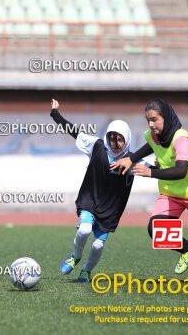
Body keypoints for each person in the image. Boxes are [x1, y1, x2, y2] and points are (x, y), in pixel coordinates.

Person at [110, 98, 188, 284]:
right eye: (148, 120)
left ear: (166, 117)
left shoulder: (181, 139)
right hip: (171, 192)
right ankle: (187, 248)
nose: (151, 124)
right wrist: (130, 158)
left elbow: (181, 171)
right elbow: (150, 146)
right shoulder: (153, 135)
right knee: (156, 228)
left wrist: (150, 172)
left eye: (155, 119)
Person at [49, 99, 135, 282]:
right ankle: (75, 257)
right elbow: (74, 132)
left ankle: (86, 271)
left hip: (110, 209)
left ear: (127, 140)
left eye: (120, 139)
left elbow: (157, 166)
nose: (115, 142)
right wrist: (55, 114)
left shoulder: (132, 160)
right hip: (90, 199)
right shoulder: (97, 146)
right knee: (84, 230)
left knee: (97, 246)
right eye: (112, 137)